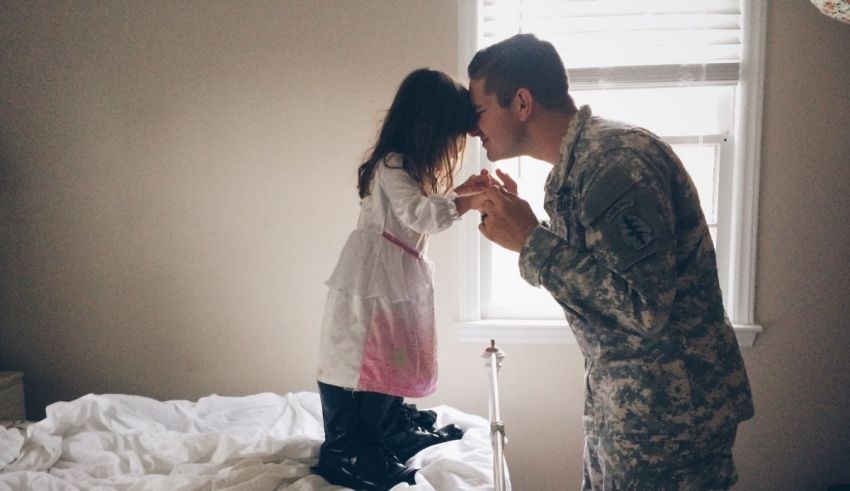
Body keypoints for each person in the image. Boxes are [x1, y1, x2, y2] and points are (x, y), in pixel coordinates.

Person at [466, 34, 754, 490]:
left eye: (477, 111)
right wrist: (526, 225)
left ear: (522, 102)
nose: (470, 128)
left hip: (668, 421)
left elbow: (644, 305)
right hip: (630, 405)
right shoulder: (578, 168)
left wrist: (531, 242)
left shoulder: (615, 163)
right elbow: (602, 275)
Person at [313, 68, 493, 491]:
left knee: (393, 352)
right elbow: (420, 215)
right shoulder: (393, 163)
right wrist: (469, 200)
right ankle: (346, 452)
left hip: (391, 275)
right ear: (425, 125)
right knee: (366, 356)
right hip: (375, 281)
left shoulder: (405, 165)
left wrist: (463, 190)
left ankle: (389, 427)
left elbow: (420, 209)